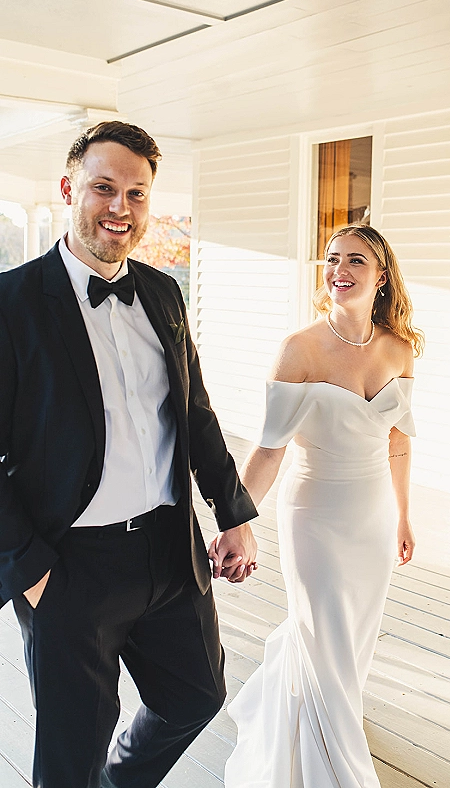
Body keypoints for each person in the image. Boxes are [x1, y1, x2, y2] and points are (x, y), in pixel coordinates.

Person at [0, 121, 258, 788]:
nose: (120, 208)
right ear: (69, 188)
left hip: (172, 554)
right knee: (69, 756)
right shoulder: (11, 304)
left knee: (197, 696)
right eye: (104, 188)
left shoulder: (165, 292)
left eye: (136, 193)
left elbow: (195, 411)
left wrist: (233, 512)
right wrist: (32, 573)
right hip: (70, 566)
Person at [222, 223, 424, 788]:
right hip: (314, 515)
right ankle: (340, 767)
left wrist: (404, 515)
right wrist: (236, 520)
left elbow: (399, 441)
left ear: (381, 276)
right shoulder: (299, 349)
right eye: (332, 259)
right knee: (322, 629)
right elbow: (268, 450)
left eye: (355, 261)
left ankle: (329, 719)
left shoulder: (399, 348)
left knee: (354, 635)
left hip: (375, 514)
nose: (339, 270)